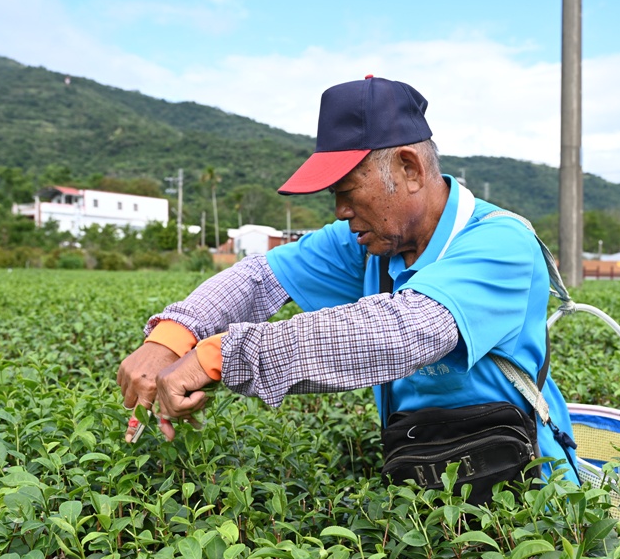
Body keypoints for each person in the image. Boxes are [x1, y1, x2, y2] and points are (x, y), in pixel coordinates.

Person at [116, 75, 579, 496]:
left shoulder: (500, 243)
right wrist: (172, 335)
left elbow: (405, 333)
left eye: (348, 190)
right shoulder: (366, 242)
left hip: (527, 486)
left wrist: (219, 356)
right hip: (417, 473)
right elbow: (260, 277)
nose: (339, 211)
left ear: (409, 169)